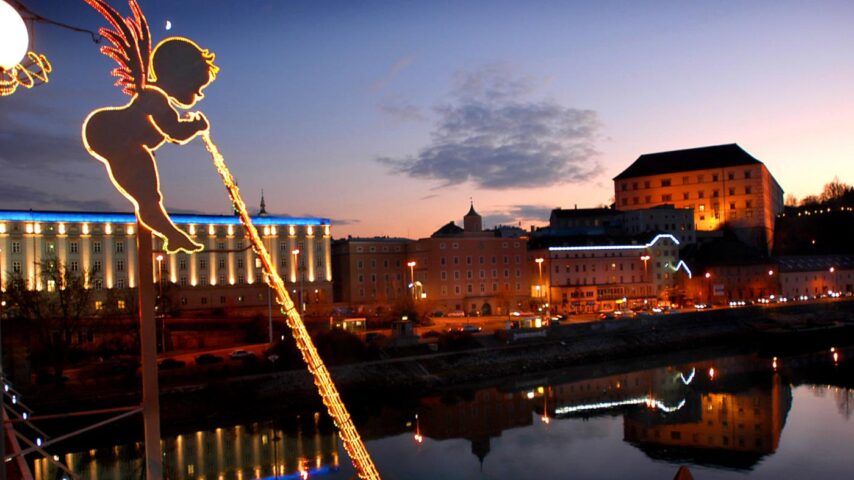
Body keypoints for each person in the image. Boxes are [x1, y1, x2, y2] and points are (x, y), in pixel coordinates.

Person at [83, 0, 218, 253]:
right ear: (179, 78)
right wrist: (197, 126)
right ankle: (172, 235)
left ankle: (171, 234)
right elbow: (175, 131)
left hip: (122, 142)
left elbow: (172, 126)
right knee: (147, 195)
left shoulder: (155, 98)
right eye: (197, 87)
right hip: (114, 137)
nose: (199, 95)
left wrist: (187, 125)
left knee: (146, 195)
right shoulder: (155, 99)